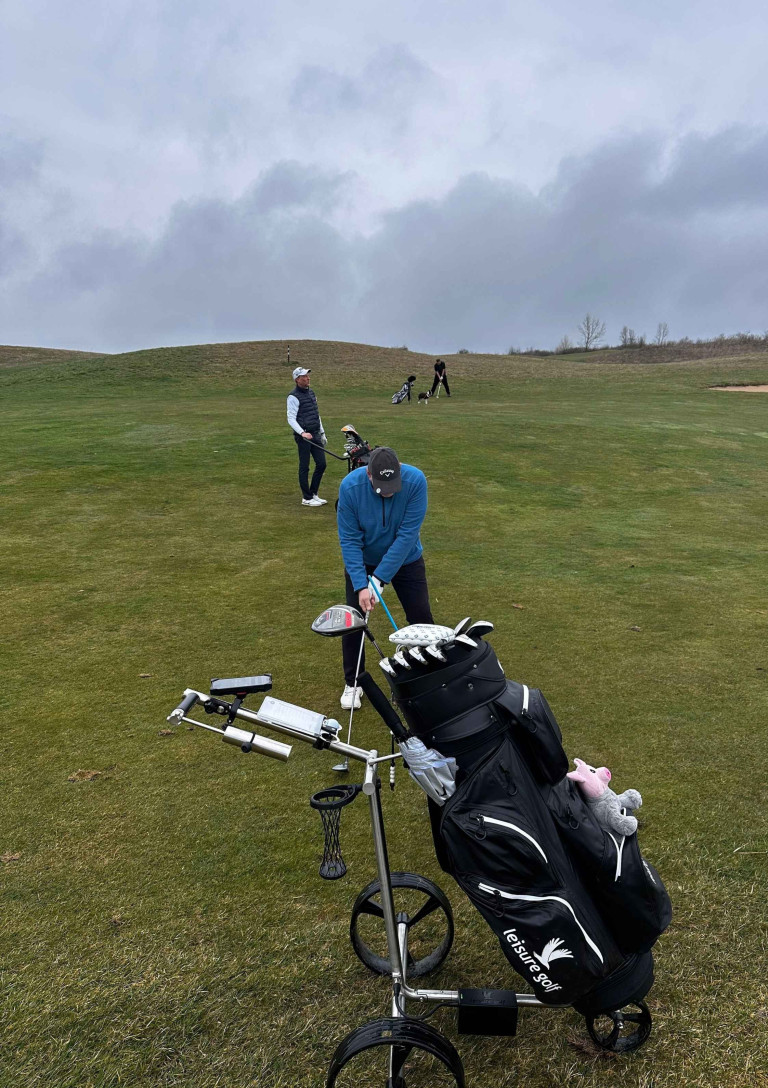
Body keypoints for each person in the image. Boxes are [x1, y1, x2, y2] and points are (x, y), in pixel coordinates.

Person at [336, 446, 434, 709]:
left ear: (400, 470)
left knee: (421, 617)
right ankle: (353, 683)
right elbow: (349, 539)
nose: (388, 491)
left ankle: (430, 675)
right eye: (381, 485)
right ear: (368, 474)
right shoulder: (349, 487)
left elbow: (407, 536)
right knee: (354, 621)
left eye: (392, 484)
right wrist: (361, 584)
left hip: (406, 558)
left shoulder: (416, 481)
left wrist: (378, 582)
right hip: (363, 561)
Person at [286, 366, 327, 507]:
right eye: (304, 376)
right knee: (305, 466)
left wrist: (322, 432)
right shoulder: (293, 396)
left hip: (315, 433)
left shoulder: (311, 393)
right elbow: (291, 418)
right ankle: (307, 497)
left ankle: (314, 493)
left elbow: (316, 414)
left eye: (308, 376)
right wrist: (302, 433)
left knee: (322, 464)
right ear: (297, 380)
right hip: (303, 436)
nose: (308, 378)